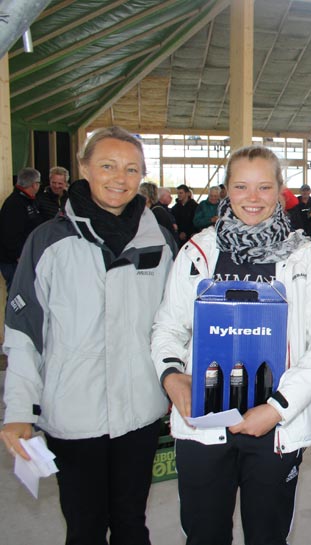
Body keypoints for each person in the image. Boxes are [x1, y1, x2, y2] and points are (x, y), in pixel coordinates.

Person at [151, 145, 311, 545]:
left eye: (263, 187)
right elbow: (167, 327)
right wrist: (172, 377)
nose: (252, 198)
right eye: (241, 186)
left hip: (274, 427)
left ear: (280, 191)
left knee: (268, 536)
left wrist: (277, 409)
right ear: (225, 190)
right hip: (203, 426)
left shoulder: (304, 257)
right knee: (204, 535)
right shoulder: (197, 253)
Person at [1, 126, 176, 544]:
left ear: (143, 176)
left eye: (132, 169)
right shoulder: (47, 241)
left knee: (133, 522)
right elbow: (24, 334)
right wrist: (18, 410)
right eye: (108, 166)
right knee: (84, 527)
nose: (120, 178)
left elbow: (174, 326)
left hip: (140, 411)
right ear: (84, 168)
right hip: (74, 413)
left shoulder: (161, 241)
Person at [0, 167, 44, 288]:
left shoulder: (27, 201)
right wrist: (19, 255)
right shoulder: (15, 204)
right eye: (38, 183)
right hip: (15, 262)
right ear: (34, 184)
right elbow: (9, 234)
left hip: (25, 258)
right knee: (18, 297)